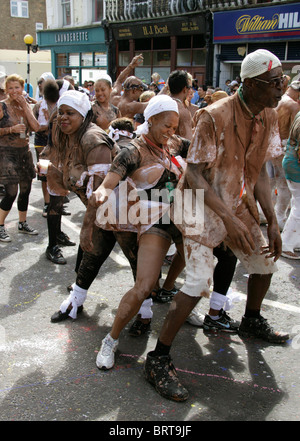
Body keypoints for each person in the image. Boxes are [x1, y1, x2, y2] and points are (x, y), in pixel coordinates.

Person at [143, 49, 290, 402]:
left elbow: (257, 174)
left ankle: (251, 320)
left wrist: (271, 221)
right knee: (196, 280)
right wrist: (225, 218)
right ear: (252, 84)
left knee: (264, 260)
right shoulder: (214, 115)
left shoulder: (268, 113)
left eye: (282, 81)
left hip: (235, 201)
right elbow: (193, 174)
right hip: (199, 202)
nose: (280, 89)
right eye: (275, 83)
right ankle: (158, 358)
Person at [89, 94, 185, 370]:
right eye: (166, 126)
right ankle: (111, 339)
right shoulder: (133, 150)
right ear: (151, 120)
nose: (171, 132)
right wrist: (102, 191)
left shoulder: (175, 144)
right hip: (154, 219)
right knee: (143, 286)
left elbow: (203, 153)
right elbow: (111, 179)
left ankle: (170, 289)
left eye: (175, 126)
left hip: (182, 213)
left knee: (202, 253)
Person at [45, 90, 138, 321]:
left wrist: (86, 229)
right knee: (91, 256)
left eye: (70, 113)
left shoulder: (93, 139)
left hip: (123, 209)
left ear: (84, 115)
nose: (63, 118)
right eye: (61, 113)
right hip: (101, 210)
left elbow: (100, 193)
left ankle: (145, 314)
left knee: (137, 261)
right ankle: (75, 303)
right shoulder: (67, 135)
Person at [0, 74, 40, 242]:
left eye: (17, 87)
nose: (14, 91)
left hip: (24, 151)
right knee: (11, 192)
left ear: (23, 88)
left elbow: (36, 127)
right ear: (6, 90)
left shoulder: (25, 105)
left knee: (26, 189)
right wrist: (11, 130)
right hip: (6, 152)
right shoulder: (2, 106)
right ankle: (0, 226)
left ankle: (22, 223)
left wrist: (25, 106)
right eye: (10, 88)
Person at [41, 79, 76, 265]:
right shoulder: (58, 115)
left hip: (61, 162)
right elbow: (56, 142)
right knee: (55, 203)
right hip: (55, 163)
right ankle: (52, 246)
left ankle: (58, 235)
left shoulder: (61, 111)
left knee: (60, 200)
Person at [272, 80, 300, 230]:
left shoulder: (279, 100)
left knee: (270, 182)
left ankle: (264, 213)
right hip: (284, 146)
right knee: (283, 186)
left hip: (272, 144)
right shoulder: (294, 105)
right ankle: (279, 217)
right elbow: (295, 131)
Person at [281, 111, 300, 259]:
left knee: (296, 202)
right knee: (299, 205)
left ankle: (293, 240)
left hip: (292, 162)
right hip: (295, 164)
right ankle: (286, 243)